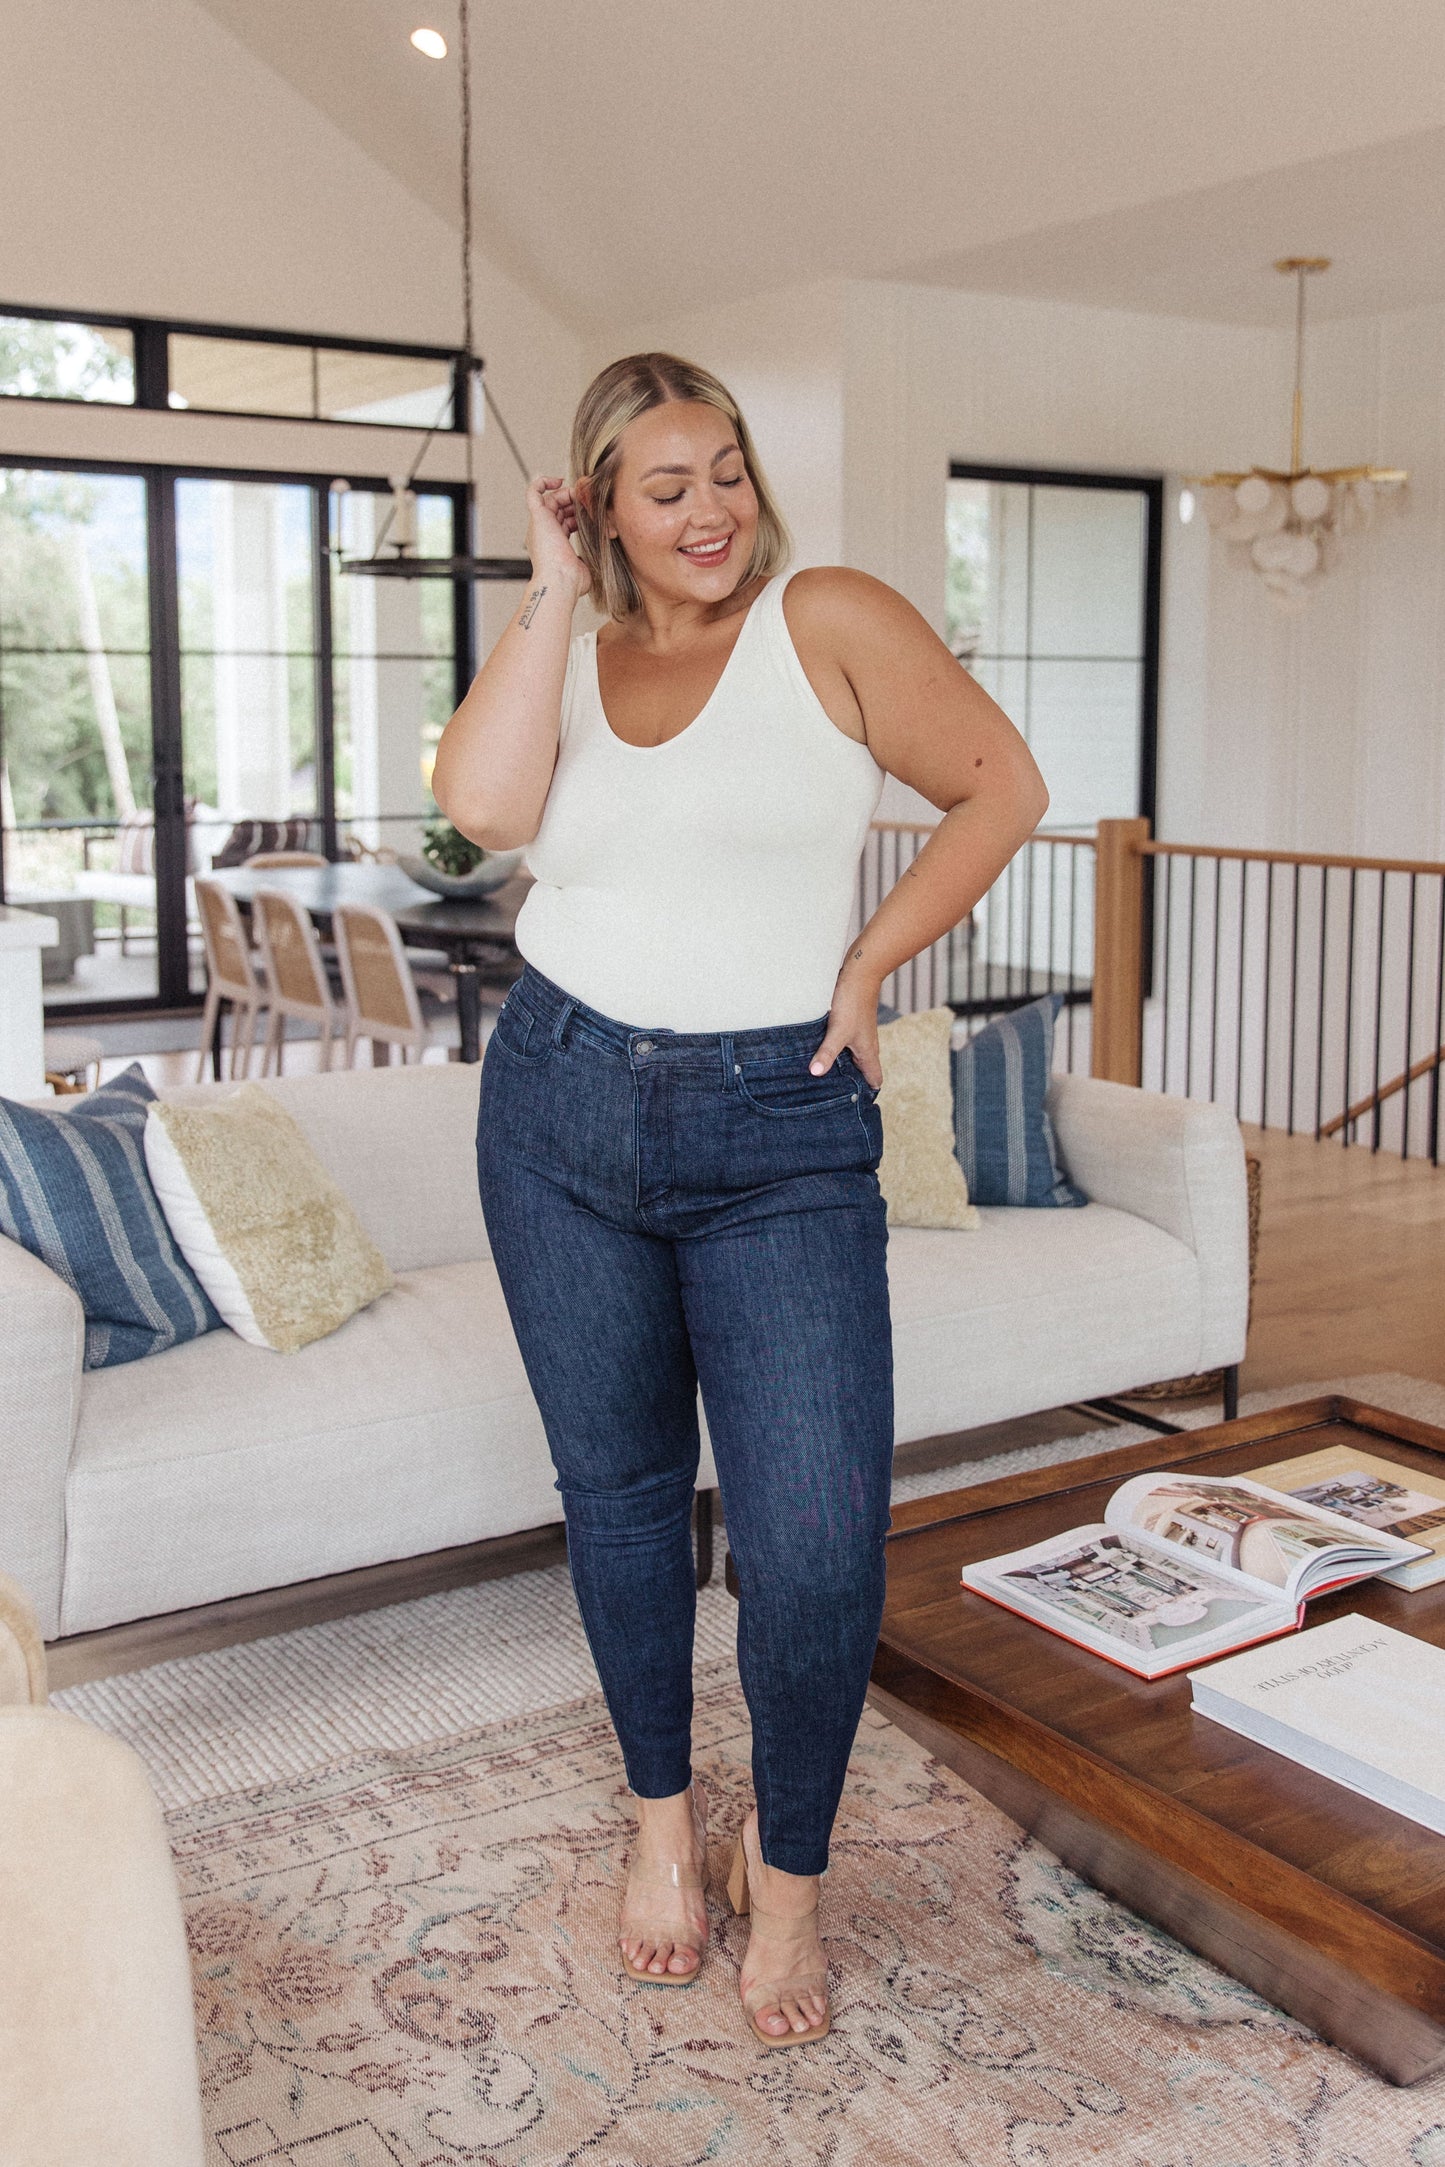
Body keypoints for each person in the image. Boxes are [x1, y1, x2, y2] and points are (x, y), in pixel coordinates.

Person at [432, 352, 1048, 2048]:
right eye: (661, 487)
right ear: (600, 508)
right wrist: (550, 591)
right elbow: (480, 811)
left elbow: (1001, 785)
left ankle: (789, 1885)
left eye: (724, 471)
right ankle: (655, 1830)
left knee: (810, 1541)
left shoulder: (828, 617)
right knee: (621, 1497)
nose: (708, 512)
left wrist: (868, 959)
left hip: (779, 1122)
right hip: (556, 1100)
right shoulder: (575, 643)